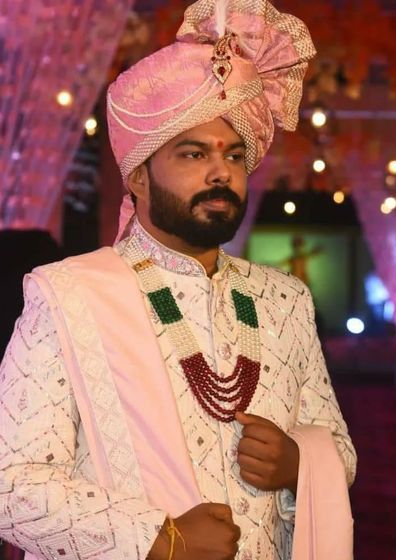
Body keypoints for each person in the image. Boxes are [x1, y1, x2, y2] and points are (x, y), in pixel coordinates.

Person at [0, 1, 356, 559]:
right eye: (192, 153)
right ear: (138, 175)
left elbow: (336, 445)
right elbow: (11, 483)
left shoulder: (284, 300)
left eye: (234, 156)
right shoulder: (69, 294)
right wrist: (158, 539)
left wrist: (297, 464)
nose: (221, 171)